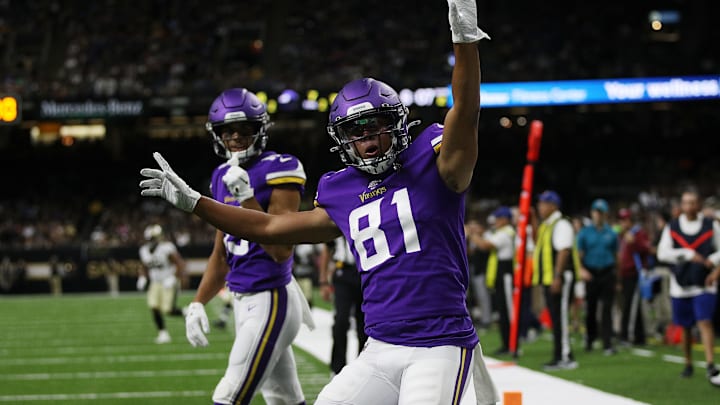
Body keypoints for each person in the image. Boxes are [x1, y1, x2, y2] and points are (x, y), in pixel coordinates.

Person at [139, 1, 498, 402]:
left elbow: (465, 113)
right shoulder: (341, 189)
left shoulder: (436, 164)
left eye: (377, 125)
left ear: (397, 124)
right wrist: (196, 202)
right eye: (356, 131)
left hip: (439, 343)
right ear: (342, 139)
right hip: (380, 347)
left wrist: (464, 42)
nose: (369, 139)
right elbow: (270, 228)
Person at [180, 88, 313, 404]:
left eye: (245, 129)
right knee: (284, 399)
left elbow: (281, 250)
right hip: (242, 300)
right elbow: (222, 252)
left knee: (228, 396)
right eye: (228, 130)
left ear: (261, 129)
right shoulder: (220, 175)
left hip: (271, 297)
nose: (236, 136)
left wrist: (246, 198)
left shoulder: (280, 167)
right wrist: (198, 301)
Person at [656, 189, 720, 386]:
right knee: (685, 327)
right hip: (680, 284)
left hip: (704, 283)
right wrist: (686, 254)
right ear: (681, 205)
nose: (690, 206)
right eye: (686, 202)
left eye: (693, 202)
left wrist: (713, 263)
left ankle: (710, 364)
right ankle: (688, 362)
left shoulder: (711, 225)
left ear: (698, 204)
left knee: (705, 321)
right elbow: (662, 253)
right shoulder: (673, 227)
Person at [532, 190, 579, 370]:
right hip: (550, 278)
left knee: (560, 316)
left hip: (559, 277)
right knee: (555, 317)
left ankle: (566, 357)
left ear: (553, 206)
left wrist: (557, 277)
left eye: (543, 203)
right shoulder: (547, 225)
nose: (540, 206)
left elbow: (564, 250)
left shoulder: (561, 224)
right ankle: (559, 354)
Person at [466, 206, 516, 355]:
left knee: (507, 311)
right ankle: (507, 344)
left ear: (505, 219)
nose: (496, 222)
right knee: (502, 311)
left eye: (499, 219)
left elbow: (485, 245)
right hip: (500, 273)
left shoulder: (506, 232)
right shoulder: (501, 232)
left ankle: (512, 344)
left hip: (506, 272)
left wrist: (471, 234)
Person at [318, 235, 367, 376]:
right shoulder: (339, 217)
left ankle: (363, 366)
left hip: (364, 272)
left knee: (365, 323)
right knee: (340, 320)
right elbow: (327, 247)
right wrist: (323, 281)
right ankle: (337, 368)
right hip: (342, 271)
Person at [576, 198, 619, 355]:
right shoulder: (585, 233)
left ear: (605, 214)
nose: (598, 215)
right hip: (591, 273)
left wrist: (617, 278)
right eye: (596, 212)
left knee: (607, 309)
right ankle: (590, 338)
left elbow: (616, 255)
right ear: (592, 213)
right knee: (591, 309)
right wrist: (581, 269)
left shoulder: (611, 233)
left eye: (601, 213)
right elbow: (579, 254)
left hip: (607, 272)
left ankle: (607, 342)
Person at [137, 223, 187, 344]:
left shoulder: (166, 248)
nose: (152, 241)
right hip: (155, 282)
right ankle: (163, 333)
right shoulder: (143, 250)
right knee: (153, 306)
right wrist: (142, 277)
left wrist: (174, 278)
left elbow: (179, 263)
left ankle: (185, 312)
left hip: (167, 280)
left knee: (168, 310)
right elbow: (143, 266)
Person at [616, 207, 654, 347]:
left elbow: (647, 249)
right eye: (621, 220)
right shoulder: (622, 235)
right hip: (625, 275)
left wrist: (634, 242)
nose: (623, 222)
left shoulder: (638, 233)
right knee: (630, 306)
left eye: (625, 219)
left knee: (631, 307)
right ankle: (638, 336)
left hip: (636, 274)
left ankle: (628, 336)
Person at [465, 217, 492, 329]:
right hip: (470, 271)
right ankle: (473, 319)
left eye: (474, 227)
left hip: (481, 270)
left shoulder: (485, 237)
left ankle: (487, 320)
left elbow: (483, 249)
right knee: (470, 297)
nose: (472, 229)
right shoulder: (468, 240)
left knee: (483, 296)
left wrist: (471, 235)